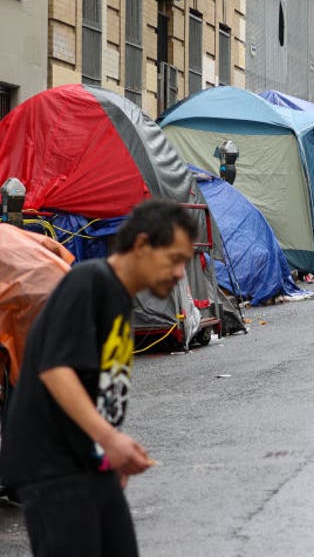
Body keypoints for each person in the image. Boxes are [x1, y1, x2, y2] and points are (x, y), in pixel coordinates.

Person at [0, 199, 198, 556]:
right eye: (174, 259)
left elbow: (96, 385)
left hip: (90, 463)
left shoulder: (119, 297)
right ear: (141, 245)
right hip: (54, 469)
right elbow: (55, 369)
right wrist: (110, 439)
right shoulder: (89, 282)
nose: (181, 272)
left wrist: (108, 452)